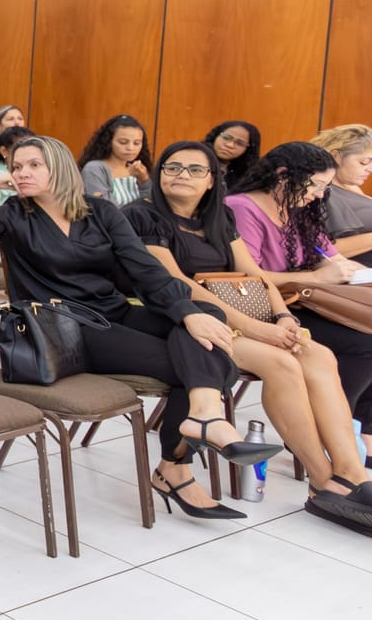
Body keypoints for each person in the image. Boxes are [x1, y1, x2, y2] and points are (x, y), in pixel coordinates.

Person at [0, 136, 276, 519]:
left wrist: (187, 311)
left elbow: (143, 267)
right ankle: (178, 464)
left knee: (205, 318)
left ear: (60, 167)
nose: (22, 173)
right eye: (17, 167)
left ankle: (202, 417)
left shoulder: (100, 211)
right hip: (62, 328)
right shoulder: (13, 214)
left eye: (34, 164)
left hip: (111, 312)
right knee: (198, 363)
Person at [129, 142, 372, 526]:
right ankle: (322, 480)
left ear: (212, 180)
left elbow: (253, 274)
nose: (182, 175)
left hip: (238, 316)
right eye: (173, 167)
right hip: (180, 319)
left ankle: (351, 472)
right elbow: (177, 285)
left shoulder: (218, 216)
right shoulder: (142, 216)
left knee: (318, 354)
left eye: (195, 169)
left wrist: (281, 317)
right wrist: (257, 328)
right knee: (281, 362)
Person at [227, 143, 372, 435]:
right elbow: (249, 277)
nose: (319, 195)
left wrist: (347, 270)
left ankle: (360, 431)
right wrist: (318, 277)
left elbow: (332, 256)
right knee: (364, 345)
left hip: (303, 301)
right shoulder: (242, 207)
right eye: (316, 185)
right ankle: (332, 428)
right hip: (268, 309)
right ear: (283, 175)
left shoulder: (298, 209)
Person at [314, 124, 372, 259]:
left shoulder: (351, 186)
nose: (370, 169)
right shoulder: (321, 193)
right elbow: (325, 250)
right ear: (336, 156)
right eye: (364, 162)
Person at [79, 113, 151, 206]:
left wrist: (144, 181)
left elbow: (151, 205)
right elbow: (105, 210)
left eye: (137, 143)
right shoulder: (95, 169)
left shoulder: (138, 170)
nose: (130, 148)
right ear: (109, 142)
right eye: (123, 142)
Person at [205, 120, 263, 192]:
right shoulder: (194, 158)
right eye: (226, 137)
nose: (230, 145)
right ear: (215, 136)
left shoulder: (246, 176)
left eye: (240, 143)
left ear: (248, 150)